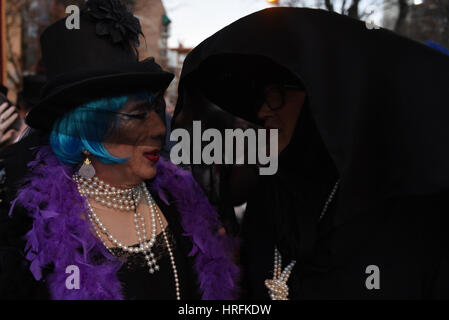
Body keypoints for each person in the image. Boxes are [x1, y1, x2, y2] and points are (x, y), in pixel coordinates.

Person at [173, 8, 449, 299]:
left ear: (327, 100)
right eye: (261, 96)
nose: (263, 110)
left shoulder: (416, 216)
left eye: (276, 94)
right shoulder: (271, 197)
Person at [0, 0, 238, 300]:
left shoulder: (182, 200)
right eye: (139, 115)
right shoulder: (29, 227)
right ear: (88, 127)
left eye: (155, 109)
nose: (159, 129)